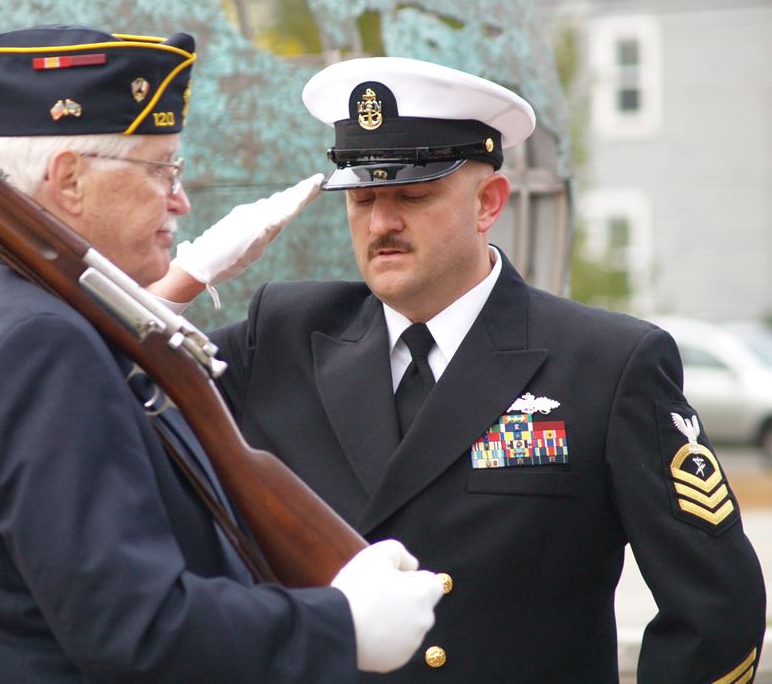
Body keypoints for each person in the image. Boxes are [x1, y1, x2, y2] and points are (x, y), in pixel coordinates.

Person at [157, 57, 767, 682]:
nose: (381, 223)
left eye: (413, 196)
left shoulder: (604, 365)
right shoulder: (283, 337)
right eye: (363, 197)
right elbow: (101, 407)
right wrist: (177, 286)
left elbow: (717, 611)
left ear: (488, 203)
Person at [0, 26, 448, 683]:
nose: (180, 198)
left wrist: (170, 293)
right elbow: (134, 628)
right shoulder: (42, 345)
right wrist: (337, 624)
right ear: (70, 180)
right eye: (161, 169)